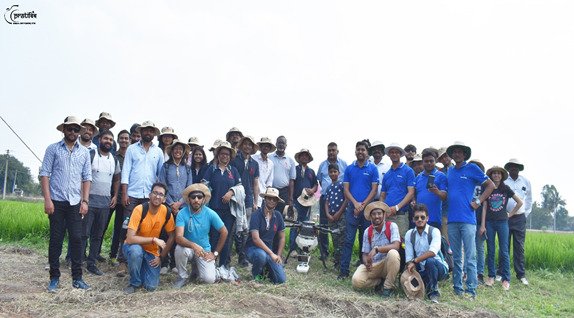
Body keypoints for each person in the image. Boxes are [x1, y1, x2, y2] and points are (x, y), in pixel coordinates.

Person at [40, 116, 92, 292]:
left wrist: (85, 201)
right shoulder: (53, 149)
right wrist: (47, 200)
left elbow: (86, 178)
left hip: (75, 203)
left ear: (79, 132)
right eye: (69, 129)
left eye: (76, 129)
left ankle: (77, 278)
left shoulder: (84, 152)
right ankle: (54, 277)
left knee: (77, 239)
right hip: (56, 201)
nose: (72, 132)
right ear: (64, 130)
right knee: (56, 240)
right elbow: (45, 174)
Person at [446, 141, 494, 298]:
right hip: (452, 219)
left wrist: (478, 202)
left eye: (460, 152)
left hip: (468, 219)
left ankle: (471, 289)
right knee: (457, 257)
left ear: (465, 154)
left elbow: (491, 185)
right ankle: (457, 288)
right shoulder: (450, 171)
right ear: (452, 155)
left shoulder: (472, 168)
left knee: (470, 256)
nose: (457, 154)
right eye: (455, 152)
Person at [118, 120, 164, 276]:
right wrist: (124, 193)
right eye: (145, 130)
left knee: (146, 230)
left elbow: (160, 176)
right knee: (127, 228)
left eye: (151, 131)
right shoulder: (132, 149)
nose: (148, 133)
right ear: (141, 132)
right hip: (132, 195)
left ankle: (143, 260)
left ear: (153, 134)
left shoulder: (158, 152)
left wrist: (159, 196)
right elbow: (125, 172)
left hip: (149, 198)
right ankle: (122, 262)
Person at [123, 183, 175, 294]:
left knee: (150, 287)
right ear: (149, 195)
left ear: (164, 199)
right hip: (133, 246)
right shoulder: (139, 209)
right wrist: (153, 239)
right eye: (155, 193)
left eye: (161, 194)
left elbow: (172, 235)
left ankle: (140, 267)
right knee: (135, 252)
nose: (157, 196)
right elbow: (130, 239)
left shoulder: (166, 212)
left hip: (151, 251)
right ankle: (134, 282)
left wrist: (161, 257)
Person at [173, 184, 228, 287]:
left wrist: (215, 254)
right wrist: (194, 245)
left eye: (199, 197)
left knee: (209, 280)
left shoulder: (210, 213)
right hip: (188, 248)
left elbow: (224, 232)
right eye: (193, 197)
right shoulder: (182, 213)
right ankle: (182, 277)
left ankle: (197, 270)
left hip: (204, 250)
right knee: (180, 249)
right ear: (189, 199)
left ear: (203, 200)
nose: (196, 200)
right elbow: (178, 238)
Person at [82, 130, 120, 276]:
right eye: (106, 138)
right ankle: (78, 261)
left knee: (97, 235)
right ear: (99, 140)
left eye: (111, 139)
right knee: (84, 234)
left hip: (104, 203)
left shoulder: (114, 159)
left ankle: (92, 263)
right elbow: (83, 176)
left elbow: (116, 179)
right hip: (90, 201)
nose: (108, 141)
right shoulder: (91, 155)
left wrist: (115, 195)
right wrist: (83, 199)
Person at [339, 140, 379, 280]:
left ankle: (364, 271)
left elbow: (374, 190)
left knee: (366, 242)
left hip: (368, 210)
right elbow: (346, 189)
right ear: (355, 151)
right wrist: (356, 204)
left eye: (363, 149)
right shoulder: (350, 169)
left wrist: (362, 205)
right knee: (348, 240)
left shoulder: (373, 169)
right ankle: (343, 272)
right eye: (358, 149)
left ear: (367, 152)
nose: (360, 152)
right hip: (352, 209)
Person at [480, 166, 523, 291]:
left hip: (503, 223)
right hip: (489, 222)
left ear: (502, 176)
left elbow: (519, 202)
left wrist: (510, 214)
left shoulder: (505, 188)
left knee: (504, 250)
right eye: (494, 174)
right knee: (491, 250)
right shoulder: (488, 187)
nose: (496, 175)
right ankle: (491, 276)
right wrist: (482, 225)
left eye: (498, 174)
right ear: (491, 175)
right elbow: (484, 207)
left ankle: (506, 279)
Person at [203, 141, 243, 268]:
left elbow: (240, 188)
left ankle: (224, 264)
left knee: (227, 237)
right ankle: (211, 263)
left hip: (229, 210)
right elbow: (204, 186)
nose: (224, 156)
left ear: (230, 156)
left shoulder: (234, 171)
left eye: (227, 154)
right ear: (218, 155)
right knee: (214, 236)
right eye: (222, 153)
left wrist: (231, 192)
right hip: (213, 209)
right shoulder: (211, 170)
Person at [351, 201, 400, 298]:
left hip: (387, 263)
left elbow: (396, 245)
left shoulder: (392, 226)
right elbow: (365, 253)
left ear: (384, 215)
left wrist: (377, 249)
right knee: (356, 281)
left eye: (379, 213)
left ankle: (387, 288)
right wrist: (366, 262)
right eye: (374, 214)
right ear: (370, 216)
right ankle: (379, 282)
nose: (377, 216)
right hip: (375, 265)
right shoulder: (367, 231)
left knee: (393, 254)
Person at [158, 139, 193, 274]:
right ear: (172, 151)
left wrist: (179, 203)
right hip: (167, 205)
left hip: (182, 207)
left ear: (184, 152)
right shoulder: (165, 167)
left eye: (180, 149)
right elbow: (162, 185)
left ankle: (175, 263)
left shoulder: (188, 168)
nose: (178, 151)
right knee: (165, 234)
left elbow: (189, 188)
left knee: (179, 234)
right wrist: (172, 203)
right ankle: (164, 262)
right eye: (175, 149)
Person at [405, 204, 449, 303]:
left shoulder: (434, 231)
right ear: (413, 220)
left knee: (430, 261)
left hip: (439, 268)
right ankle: (424, 287)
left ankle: (434, 294)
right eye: (417, 217)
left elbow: (433, 252)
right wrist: (411, 265)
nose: (419, 219)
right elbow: (409, 258)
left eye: (422, 217)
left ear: (427, 218)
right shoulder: (409, 234)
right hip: (421, 269)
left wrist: (415, 261)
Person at [245, 188, 287, 284]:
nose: (271, 201)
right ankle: (257, 276)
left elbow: (282, 237)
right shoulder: (256, 215)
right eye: (269, 198)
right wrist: (272, 254)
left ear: (277, 202)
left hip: (269, 251)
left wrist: (278, 255)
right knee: (261, 256)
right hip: (253, 249)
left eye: (274, 199)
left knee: (281, 280)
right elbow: (255, 239)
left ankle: (265, 270)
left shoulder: (278, 216)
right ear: (265, 199)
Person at [230, 136, 260, 267]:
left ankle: (243, 257)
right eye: (245, 144)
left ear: (253, 148)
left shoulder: (255, 163)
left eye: (250, 145)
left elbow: (256, 183)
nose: (247, 147)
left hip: (248, 199)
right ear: (241, 146)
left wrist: (255, 201)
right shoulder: (235, 160)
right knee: (234, 228)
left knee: (246, 229)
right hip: (235, 198)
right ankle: (230, 256)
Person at [503, 158, 533, 285]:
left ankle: (521, 274)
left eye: (516, 167)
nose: (513, 168)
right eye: (511, 167)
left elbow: (529, 200)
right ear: (508, 168)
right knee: (505, 245)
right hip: (506, 217)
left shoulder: (526, 182)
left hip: (520, 218)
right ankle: (501, 273)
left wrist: (524, 214)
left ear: (519, 168)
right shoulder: (504, 182)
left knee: (519, 247)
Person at [317, 142, 348, 261]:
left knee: (341, 232)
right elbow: (319, 181)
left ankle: (341, 258)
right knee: (324, 226)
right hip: (326, 198)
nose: (331, 152)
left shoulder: (344, 164)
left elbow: (347, 187)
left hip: (341, 204)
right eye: (329, 150)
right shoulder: (322, 165)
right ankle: (324, 252)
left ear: (337, 151)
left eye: (333, 150)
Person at [380, 143, 416, 236]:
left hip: (401, 215)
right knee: (387, 241)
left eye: (396, 152)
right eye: (392, 152)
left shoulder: (408, 171)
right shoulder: (387, 174)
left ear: (400, 154)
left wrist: (397, 207)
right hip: (387, 215)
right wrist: (382, 209)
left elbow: (411, 192)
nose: (394, 154)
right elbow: (383, 195)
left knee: (401, 243)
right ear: (389, 155)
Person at [107, 129, 130, 266]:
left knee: (120, 228)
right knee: (102, 226)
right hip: (111, 196)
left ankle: (114, 255)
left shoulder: (131, 156)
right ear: (118, 140)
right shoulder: (113, 156)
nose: (124, 141)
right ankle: (96, 254)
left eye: (126, 138)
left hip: (125, 199)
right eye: (121, 138)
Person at [289, 149, 318, 253]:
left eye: (306, 156)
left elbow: (316, 184)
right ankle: (292, 249)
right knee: (295, 224)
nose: (304, 157)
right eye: (302, 155)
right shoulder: (294, 169)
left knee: (305, 225)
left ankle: (303, 248)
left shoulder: (311, 172)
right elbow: (291, 183)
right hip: (296, 200)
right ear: (299, 158)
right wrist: (291, 199)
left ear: (309, 158)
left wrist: (312, 190)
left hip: (307, 202)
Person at [414, 149, 447, 229]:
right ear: (423, 162)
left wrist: (437, 192)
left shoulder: (441, 176)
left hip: (435, 218)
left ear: (435, 161)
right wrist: (413, 201)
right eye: (426, 161)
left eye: (431, 161)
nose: (429, 163)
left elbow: (445, 196)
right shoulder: (418, 177)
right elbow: (414, 194)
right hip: (419, 219)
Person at [324, 163, 348, 268]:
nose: (333, 173)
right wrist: (327, 214)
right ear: (328, 173)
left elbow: (346, 199)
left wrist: (339, 213)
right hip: (331, 217)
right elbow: (326, 201)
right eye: (331, 172)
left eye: (335, 171)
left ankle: (342, 262)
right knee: (334, 239)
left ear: (339, 173)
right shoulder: (329, 187)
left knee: (342, 239)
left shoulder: (342, 185)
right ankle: (336, 261)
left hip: (341, 216)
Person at [468, 159, 486, 285]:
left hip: (480, 220)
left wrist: (483, 225)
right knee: (468, 248)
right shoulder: (467, 181)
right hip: (468, 218)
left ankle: (480, 273)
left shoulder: (483, 184)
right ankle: (467, 273)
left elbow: (485, 205)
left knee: (479, 247)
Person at [270, 135, 296, 213]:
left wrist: (290, 198)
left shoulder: (290, 161)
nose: (281, 145)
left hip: (284, 192)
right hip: (271, 190)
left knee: (281, 215)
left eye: (283, 143)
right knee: (269, 213)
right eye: (279, 143)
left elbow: (291, 181)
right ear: (276, 144)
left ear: (286, 145)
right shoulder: (269, 158)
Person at [253, 137, 276, 208]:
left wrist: (268, 195)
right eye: (264, 145)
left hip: (263, 195)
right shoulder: (253, 158)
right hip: (252, 193)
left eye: (268, 146)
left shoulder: (271, 163)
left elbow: (269, 181)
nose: (266, 147)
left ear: (269, 148)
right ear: (260, 146)